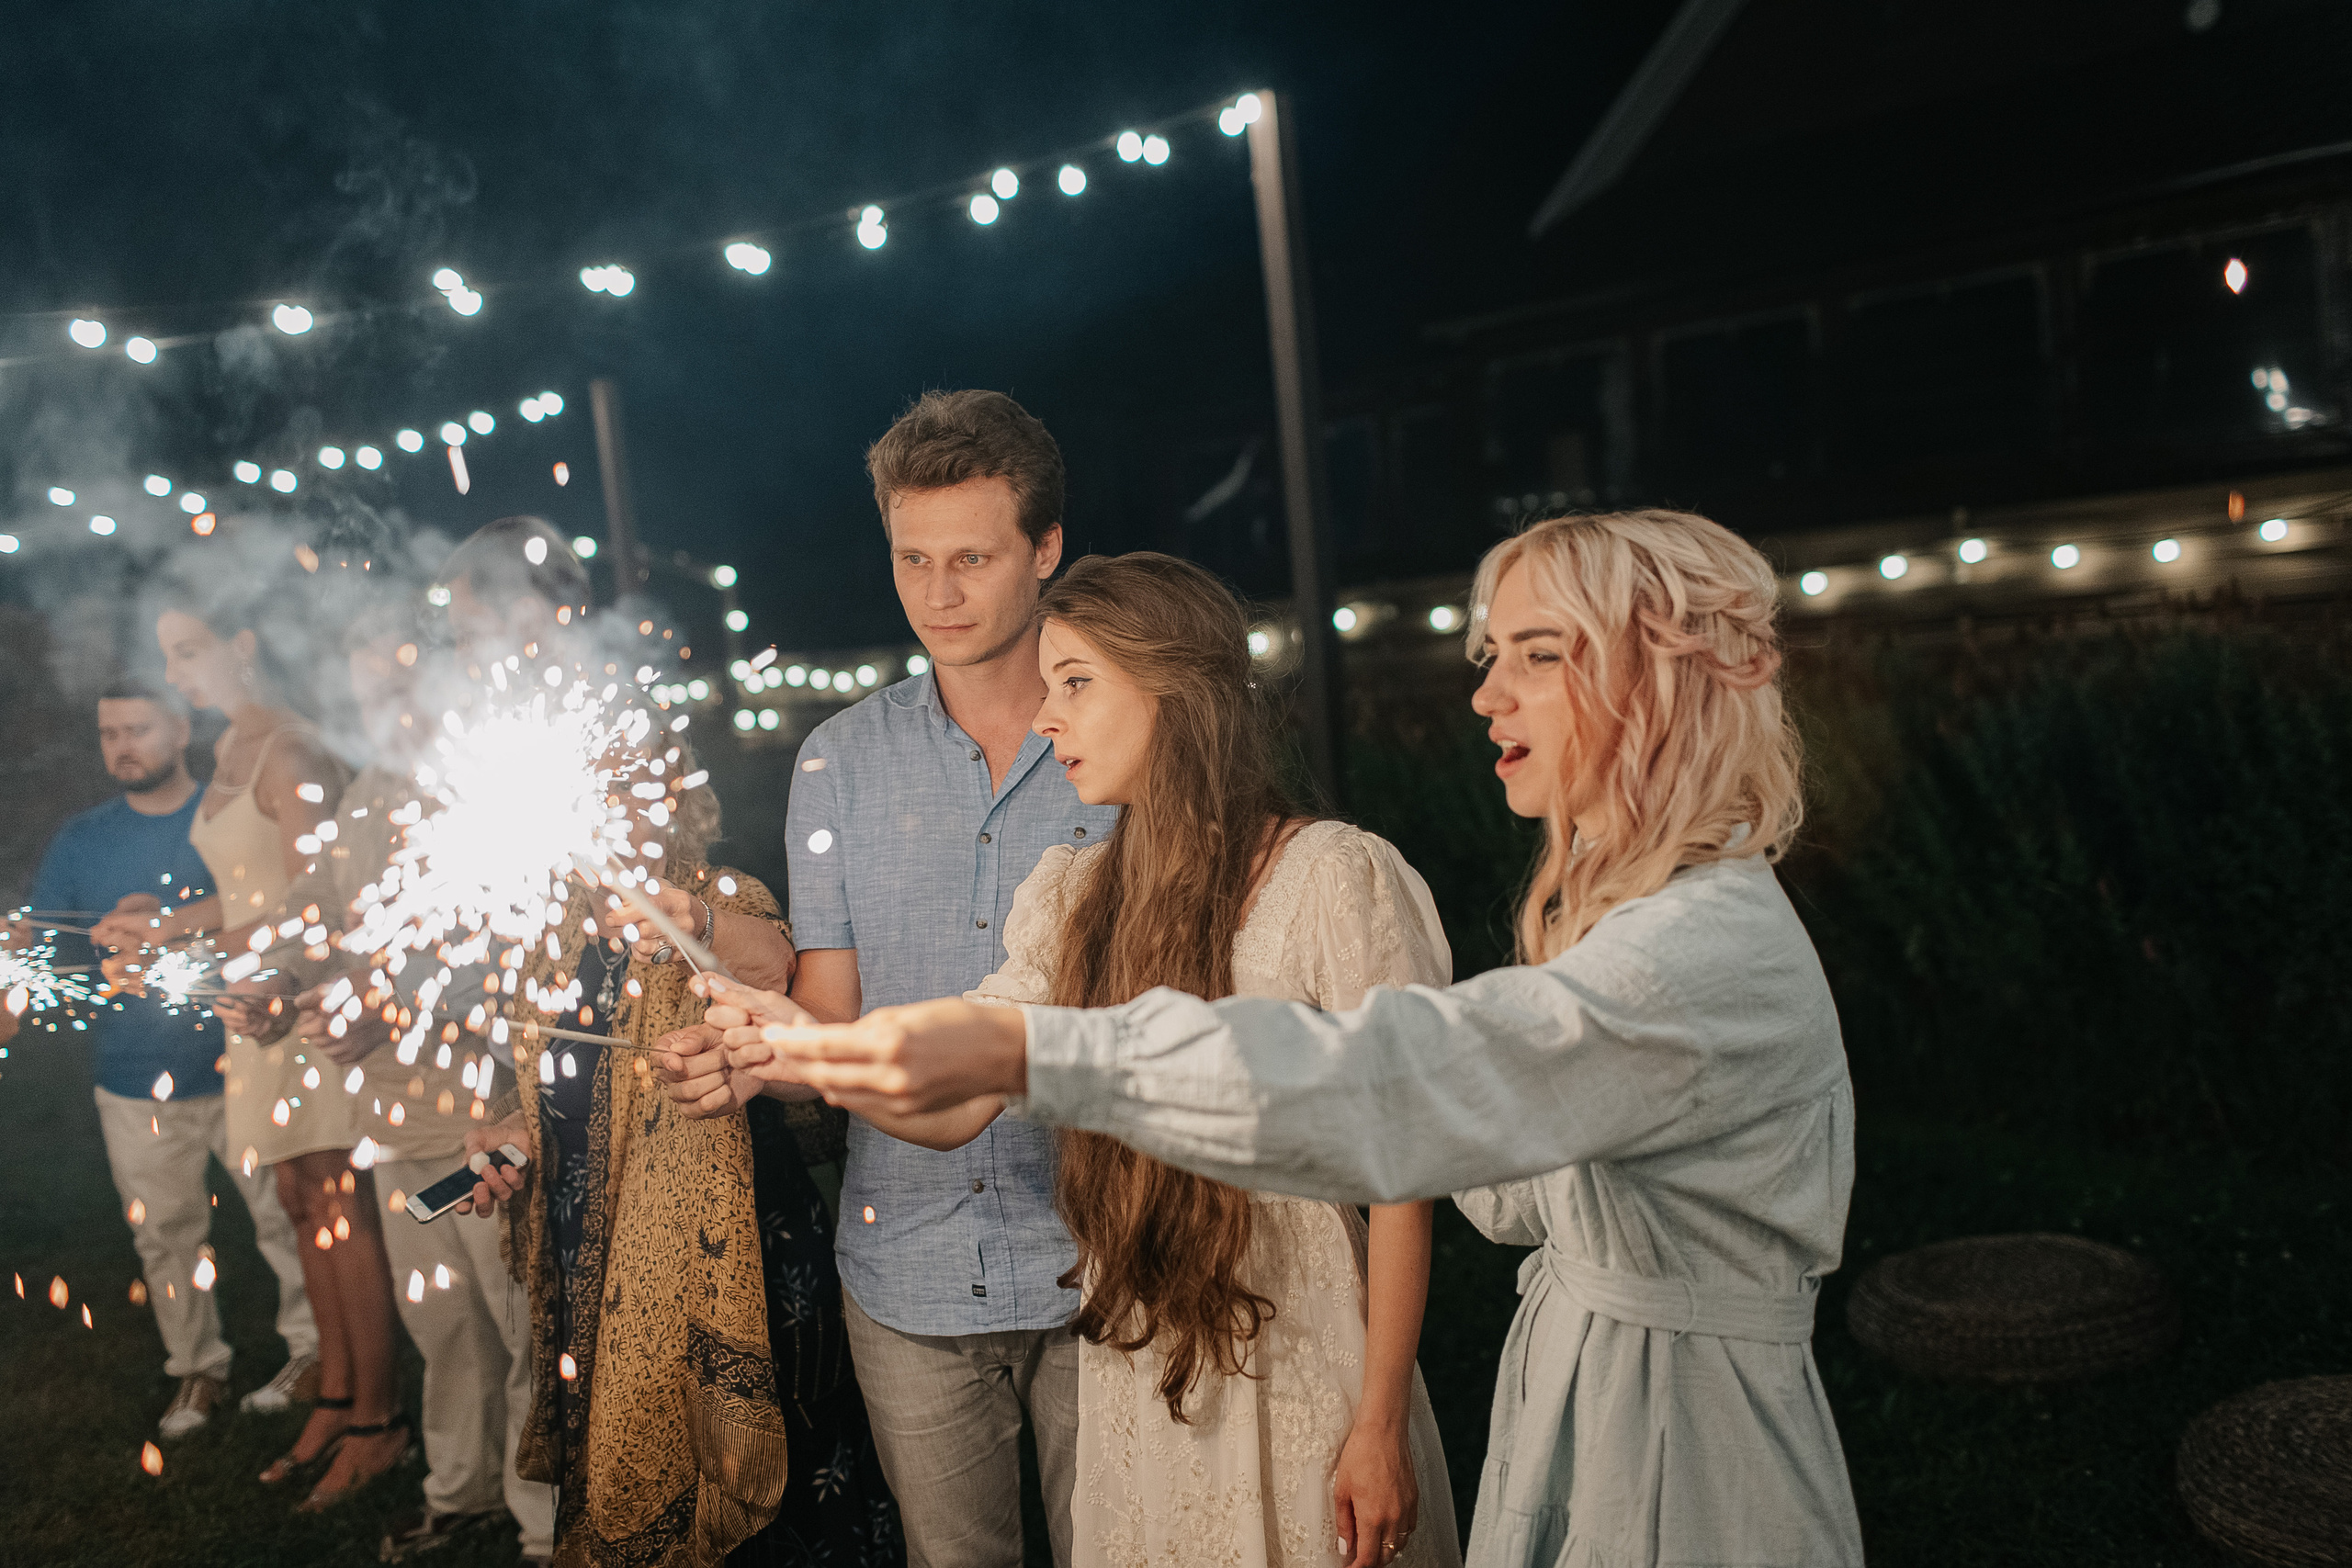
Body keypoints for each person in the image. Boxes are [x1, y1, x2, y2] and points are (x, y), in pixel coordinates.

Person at [723, 511, 1870, 1568]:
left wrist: (1039, 1053)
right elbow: (1498, 1185)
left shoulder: (1698, 952)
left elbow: (1393, 1095)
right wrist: (807, 1049)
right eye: (1489, 656)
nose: (1486, 696)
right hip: (1560, 1387)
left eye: (1537, 653)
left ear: (1661, 680)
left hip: (1689, 1446)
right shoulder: (1629, 929)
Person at [727, 553, 1463, 1568]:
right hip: (1141, 1352)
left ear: (1174, 691)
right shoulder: (1072, 894)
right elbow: (956, 1098)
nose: (1045, 720)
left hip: (1303, 1348)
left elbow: (1404, 1174)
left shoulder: (1332, 877)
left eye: (1075, 683)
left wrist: (1378, 1421)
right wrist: (795, 1043)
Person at [443, 516, 893, 1567]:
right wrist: (512, 1136)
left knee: (768, 1505)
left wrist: (668, 908)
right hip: (590, 1246)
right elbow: (573, 1091)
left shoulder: (704, 899)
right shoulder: (542, 935)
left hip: (726, 1257)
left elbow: (771, 962)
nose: (477, 663)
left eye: (481, 634)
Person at [747, 390, 1119, 1568]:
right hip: (905, 1261)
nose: (939, 594)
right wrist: (756, 1036)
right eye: (913, 559)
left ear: (1046, 548)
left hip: (1110, 1256)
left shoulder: (1131, 741)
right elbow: (827, 1015)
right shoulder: (836, 763)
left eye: (972, 558)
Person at [235, 599, 558, 1562]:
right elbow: (315, 904)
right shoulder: (373, 789)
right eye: (367, 688)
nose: (389, 708)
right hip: (397, 1124)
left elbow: (522, 958)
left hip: (489, 1124)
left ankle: (546, 1528)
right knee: (444, 1328)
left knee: (521, 1338)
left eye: (402, 684)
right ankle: (461, 1492)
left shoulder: (492, 791)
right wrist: (275, 974)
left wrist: (393, 1009)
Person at [110, 592, 410, 1510]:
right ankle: (334, 1396)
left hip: (303, 1006)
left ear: (244, 644)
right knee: (293, 1199)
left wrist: (189, 944)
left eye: (189, 651)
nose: (175, 675)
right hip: (255, 1004)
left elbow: (318, 903)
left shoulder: (290, 748)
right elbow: (252, 894)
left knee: (334, 1209)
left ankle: (379, 1418)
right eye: (169, 656)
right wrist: (169, 930)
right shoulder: (229, 749)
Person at [10, 680, 318, 1440]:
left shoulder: (219, 816)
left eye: (138, 727)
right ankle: (197, 1368)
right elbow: (48, 942)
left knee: (284, 1217)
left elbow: (264, 907)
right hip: (132, 1074)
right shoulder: (83, 837)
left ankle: (314, 1353)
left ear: (180, 728)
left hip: (240, 1055)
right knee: (167, 1230)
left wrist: (173, 928)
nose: (123, 744)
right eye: (109, 731)